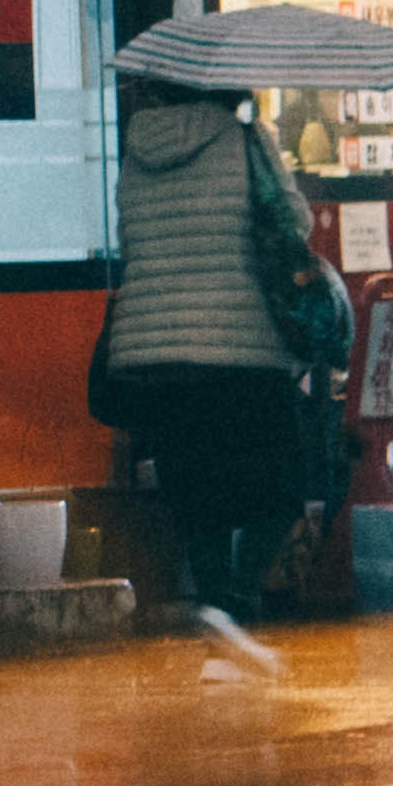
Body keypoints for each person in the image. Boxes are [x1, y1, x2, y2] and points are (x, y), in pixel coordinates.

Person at [94, 79, 344, 612]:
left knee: (197, 504)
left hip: (157, 355)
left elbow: (129, 240)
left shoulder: (137, 151)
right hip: (241, 349)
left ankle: (215, 606)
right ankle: (243, 593)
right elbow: (293, 224)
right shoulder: (248, 140)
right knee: (285, 489)